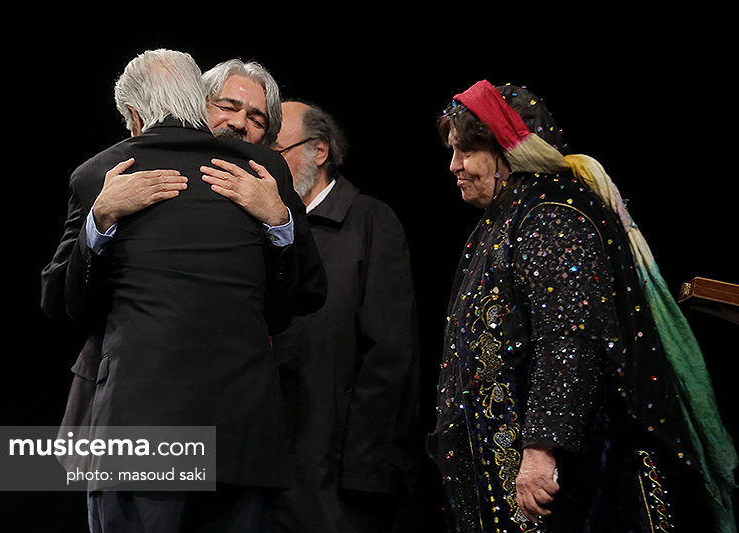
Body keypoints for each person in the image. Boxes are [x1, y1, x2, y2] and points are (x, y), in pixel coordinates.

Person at [426, 80, 737, 532]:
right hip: (521, 466)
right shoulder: (512, 215)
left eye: (466, 151)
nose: (454, 165)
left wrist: (541, 449)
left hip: (572, 480)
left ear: (507, 149)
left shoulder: (552, 214)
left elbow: (569, 339)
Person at [41, 49, 325, 532]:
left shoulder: (103, 172)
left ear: (134, 116)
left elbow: (66, 306)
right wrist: (101, 217)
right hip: (239, 439)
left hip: (147, 434)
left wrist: (279, 221)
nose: (238, 123)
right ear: (199, 101)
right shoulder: (268, 170)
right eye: (228, 107)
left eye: (255, 117)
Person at [266, 100, 421, 533]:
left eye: (276, 151)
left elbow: (390, 355)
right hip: (267, 464)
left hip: (335, 476)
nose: (265, 164)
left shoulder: (369, 221)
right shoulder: (265, 227)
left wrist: (366, 470)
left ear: (319, 151)